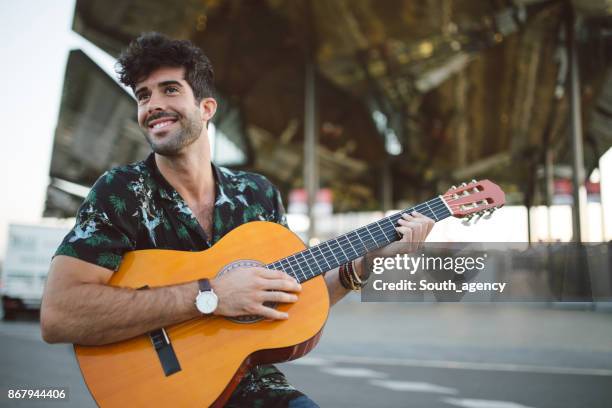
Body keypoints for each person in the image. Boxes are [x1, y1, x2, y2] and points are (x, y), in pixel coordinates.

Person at [40, 32, 435, 407]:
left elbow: (288, 296)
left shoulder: (257, 194)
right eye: (143, 95)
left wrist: (365, 264)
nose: (153, 104)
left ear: (206, 107)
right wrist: (210, 295)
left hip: (253, 389)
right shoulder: (121, 192)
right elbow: (60, 314)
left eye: (170, 90)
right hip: (160, 396)